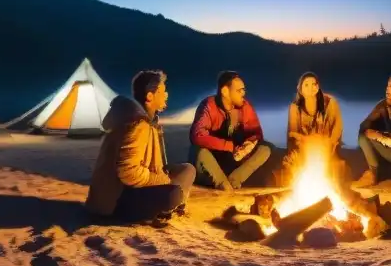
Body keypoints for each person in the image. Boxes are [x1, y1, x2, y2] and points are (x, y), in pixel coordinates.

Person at [85, 69, 195, 227]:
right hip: (118, 200)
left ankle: (167, 207)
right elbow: (128, 173)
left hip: (135, 187)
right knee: (174, 194)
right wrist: (162, 180)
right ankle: (165, 208)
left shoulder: (149, 122)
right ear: (150, 96)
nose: (167, 95)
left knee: (187, 170)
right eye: (162, 91)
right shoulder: (137, 124)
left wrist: (162, 176)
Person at [189, 71, 272, 190]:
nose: (243, 93)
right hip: (213, 162)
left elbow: (256, 133)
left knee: (265, 149)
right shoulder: (209, 106)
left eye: (243, 89)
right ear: (225, 91)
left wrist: (248, 144)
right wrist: (229, 146)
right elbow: (197, 136)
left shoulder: (244, 106)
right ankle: (223, 184)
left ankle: (234, 180)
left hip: (234, 161)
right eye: (239, 90)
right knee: (200, 152)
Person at [275, 72, 345, 186]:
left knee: (323, 159)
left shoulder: (330, 102)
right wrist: (300, 144)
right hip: (304, 145)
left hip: (327, 144)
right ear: (300, 88)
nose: (311, 87)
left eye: (314, 84)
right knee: (295, 162)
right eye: (306, 84)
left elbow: (338, 126)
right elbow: (292, 133)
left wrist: (331, 142)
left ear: (318, 86)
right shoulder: (295, 107)